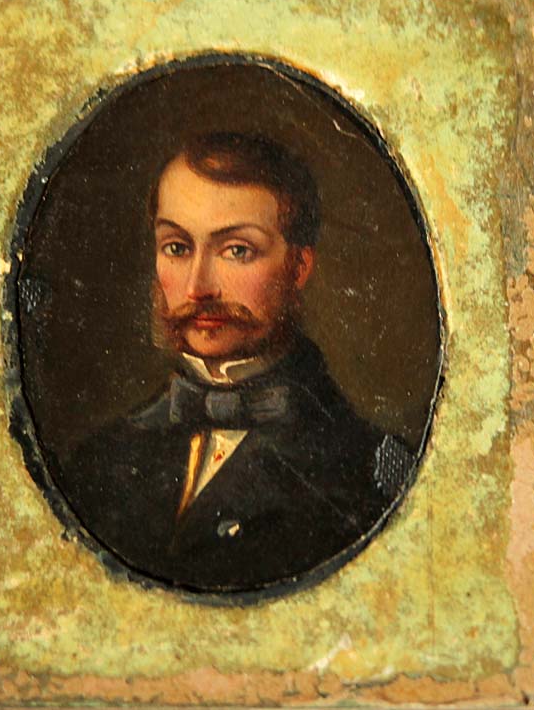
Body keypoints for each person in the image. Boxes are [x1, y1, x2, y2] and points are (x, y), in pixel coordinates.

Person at [61, 132, 413, 593]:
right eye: (177, 247)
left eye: (237, 250)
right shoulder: (97, 462)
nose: (198, 288)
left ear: (299, 266)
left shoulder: (374, 474)